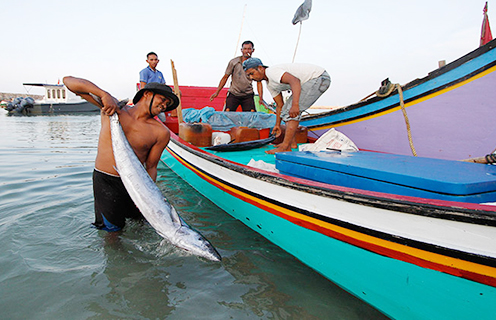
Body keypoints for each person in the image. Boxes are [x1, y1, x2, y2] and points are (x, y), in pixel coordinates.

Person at [63, 76, 179, 231]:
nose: (164, 105)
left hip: (136, 184)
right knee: (112, 232)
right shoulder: (112, 109)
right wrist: (103, 94)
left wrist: (147, 198)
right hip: (106, 181)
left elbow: (151, 167)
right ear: (147, 94)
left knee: (142, 227)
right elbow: (69, 82)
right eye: (163, 99)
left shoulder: (161, 132)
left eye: (167, 104)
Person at [243, 57, 330, 154]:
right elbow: (280, 105)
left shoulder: (272, 72)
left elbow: (295, 81)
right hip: (310, 82)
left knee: (291, 111)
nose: (251, 77)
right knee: (286, 111)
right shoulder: (270, 85)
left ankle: (285, 146)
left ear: (260, 68)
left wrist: (295, 105)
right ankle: (292, 144)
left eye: (252, 73)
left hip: (319, 77)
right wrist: (277, 125)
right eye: (248, 76)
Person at [210, 40, 263, 112]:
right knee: (227, 114)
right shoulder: (234, 62)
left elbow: (259, 81)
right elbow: (225, 77)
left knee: (251, 116)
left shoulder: (255, 63)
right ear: (241, 50)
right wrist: (217, 92)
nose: (247, 51)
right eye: (245, 49)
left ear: (253, 50)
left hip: (248, 94)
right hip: (234, 94)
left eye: (249, 49)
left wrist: (261, 97)